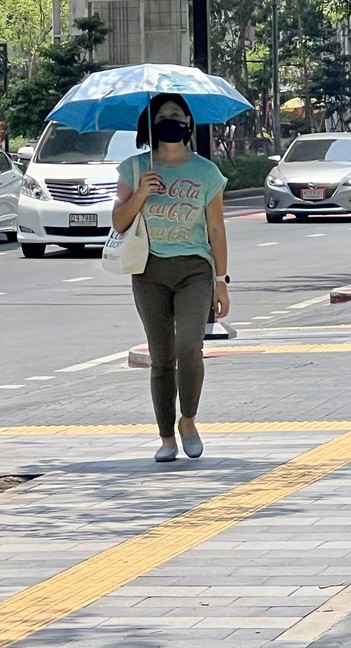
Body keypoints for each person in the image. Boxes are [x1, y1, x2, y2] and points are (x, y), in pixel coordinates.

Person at [112, 93, 231, 463]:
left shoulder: (206, 173)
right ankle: (166, 436)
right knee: (161, 357)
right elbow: (118, 222)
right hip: (149, 271)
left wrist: (222, 280)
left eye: (177, 115)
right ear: (150, 124)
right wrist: (142, 192)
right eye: (162, 115)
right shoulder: (134, 169)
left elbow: (216, 227)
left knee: (189, 349)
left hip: (195, 269)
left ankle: (189, 420)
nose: (171, 121)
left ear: (189, 123)